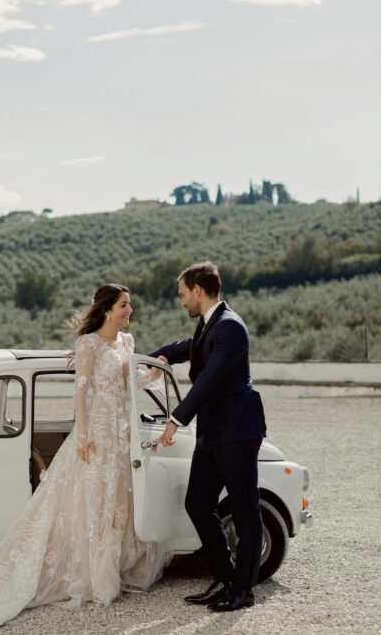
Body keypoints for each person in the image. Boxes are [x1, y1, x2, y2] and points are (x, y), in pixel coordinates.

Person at [0, 283, 167, 634]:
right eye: (125, 305)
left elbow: (127, 384)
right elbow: (81, 391)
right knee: (94, 503)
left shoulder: (126, 342)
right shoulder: (89, 343)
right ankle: (98, 579)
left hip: (123, 434)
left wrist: (152, 375)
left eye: (129, 305)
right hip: (97, 433)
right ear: (108, 309)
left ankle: (115, 570)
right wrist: (82, 435)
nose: (130, 310)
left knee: (118, 504)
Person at [151, 261, 266, 612]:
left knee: (245, 512)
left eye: (183, 294)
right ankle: (226, 577)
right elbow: (187, 347)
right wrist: (150, 357)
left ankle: (243, 589)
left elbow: (209, 381)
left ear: (198, 290)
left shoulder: (231, 326)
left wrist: (175, 420)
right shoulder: (209, 324)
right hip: (213, 434)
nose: (181, 301)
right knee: (198, 504)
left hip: (237, 431)